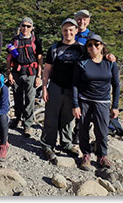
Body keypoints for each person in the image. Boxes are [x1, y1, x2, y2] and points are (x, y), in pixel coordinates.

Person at [72, 34, 120, 170]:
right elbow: (75, 84)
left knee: (102, 130)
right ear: (86, 48)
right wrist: (75, 105)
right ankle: (86, 154)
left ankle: (102, 155)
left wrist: (115, 106)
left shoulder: (110, 63)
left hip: (103, 102)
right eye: (90, 45)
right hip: (85, 100)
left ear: (102, 46)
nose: (93, 47)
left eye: (96, 44)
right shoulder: (82, 62)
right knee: (83, 128)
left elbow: (116, 85)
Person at [40, 18, 84, 163]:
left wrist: (110, 57)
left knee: (68, 117)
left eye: (71, 30)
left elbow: (95, 60)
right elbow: (46, 70)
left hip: (74, 89)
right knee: (51, 117)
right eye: (65, 30)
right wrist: (44, 88)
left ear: (76, 31)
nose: (68, 33)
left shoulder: (82, 49)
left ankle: (66, 143)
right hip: (56, 86)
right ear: (62, 31)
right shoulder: (54, 48)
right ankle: (48, 144)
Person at [7, 17, 43, 136]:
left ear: (32, 28)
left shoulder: (36, 41)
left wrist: (39, 76)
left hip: (31, 73)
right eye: (23, 25)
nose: (25, 28)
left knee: (30, 99)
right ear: (20, 26)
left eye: (28, 26)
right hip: (17, 72)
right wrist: (9, 73)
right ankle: (17, 118)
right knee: (17, 97)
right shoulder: (15, 40)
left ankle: (27, 124)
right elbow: (9, 58)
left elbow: (40, 59)